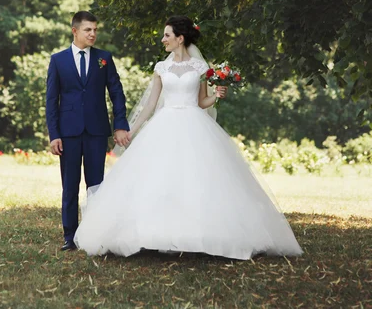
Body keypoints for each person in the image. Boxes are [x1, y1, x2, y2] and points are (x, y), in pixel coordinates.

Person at [74, 15, 303, 259]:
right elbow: (151, 104)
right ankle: (153, 234)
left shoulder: (200, 68)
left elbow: (202, 102)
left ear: (180, 38)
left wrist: (217, 96)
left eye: (167, 36)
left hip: (195, 124)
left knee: (198, 179)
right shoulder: (161, 68)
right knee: (159, 179)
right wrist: (132, 129)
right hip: (165, 124)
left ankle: (201, 235)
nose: (163, 40)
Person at [46, 11, 129, 251]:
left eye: (95, 29)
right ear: (75, 31)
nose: (93, 34)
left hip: (96, 131)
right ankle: (69, 236)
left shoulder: (104, 58)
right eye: (87, 30)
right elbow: (52, 101)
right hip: (68, 133)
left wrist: (120, 124)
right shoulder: (58, 60)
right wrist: (54, 134)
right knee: (70, 186)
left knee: (96, 185)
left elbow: (116, 93)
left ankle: (95, 234)